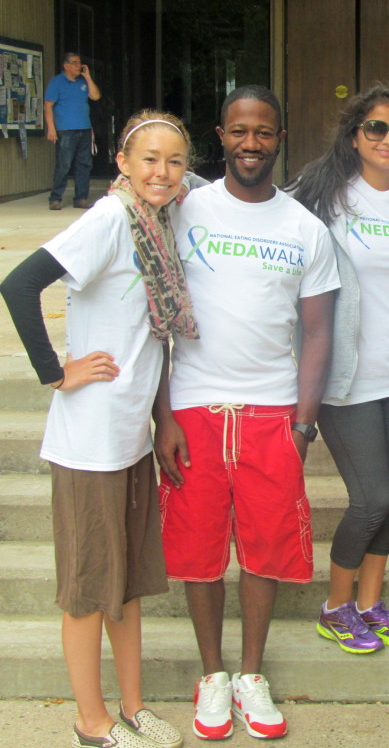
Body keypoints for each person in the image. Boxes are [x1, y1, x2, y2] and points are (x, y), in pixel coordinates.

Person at [1, 109, 195, 748]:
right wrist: (56, 372)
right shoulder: (112, 219)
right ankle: (91, 721)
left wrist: (160, 416)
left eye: (173, 160)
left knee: (129, 587)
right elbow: (20, 282)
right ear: (123, 163)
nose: (161, 171)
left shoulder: (157, 227)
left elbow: (154, 337)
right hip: (89, 442)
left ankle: (133, 705)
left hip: (129, 438)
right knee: (88, 592)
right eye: (149, 159)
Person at [154, 85, 340, 741]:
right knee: (200, 551)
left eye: (263, 132)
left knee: (262, 550)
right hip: (194, 409)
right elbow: (153, 320)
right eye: (240, 131)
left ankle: (251, 674)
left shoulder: (304, 228)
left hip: (272, 411)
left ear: (279, 138)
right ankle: (213, 676)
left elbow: (318, 334)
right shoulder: (182, 212)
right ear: (220, 135)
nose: (251, 143)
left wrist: (304, 423)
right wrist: (162, 416)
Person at [287, 83, 389, 654]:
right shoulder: (322, 194)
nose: (388, 139)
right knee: (370, 496)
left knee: (388, 496)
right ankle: (335, 605)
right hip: (345, 377)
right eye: (376, 127)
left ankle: (371, 604)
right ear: (355, 134)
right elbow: (255, 207)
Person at [44, 52, 101, 210]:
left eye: (80, 63)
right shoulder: (56, 82)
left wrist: (88, 77)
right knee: (64, 164)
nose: (79, 66)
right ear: (66, 65)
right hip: (65, 130)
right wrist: (51, 128)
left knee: (84, 165)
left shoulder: (83, 81)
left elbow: (95, 96)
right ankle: (55, 198)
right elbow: (48, 105)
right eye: (75, 63)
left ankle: (81, 198)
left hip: (84, 128)